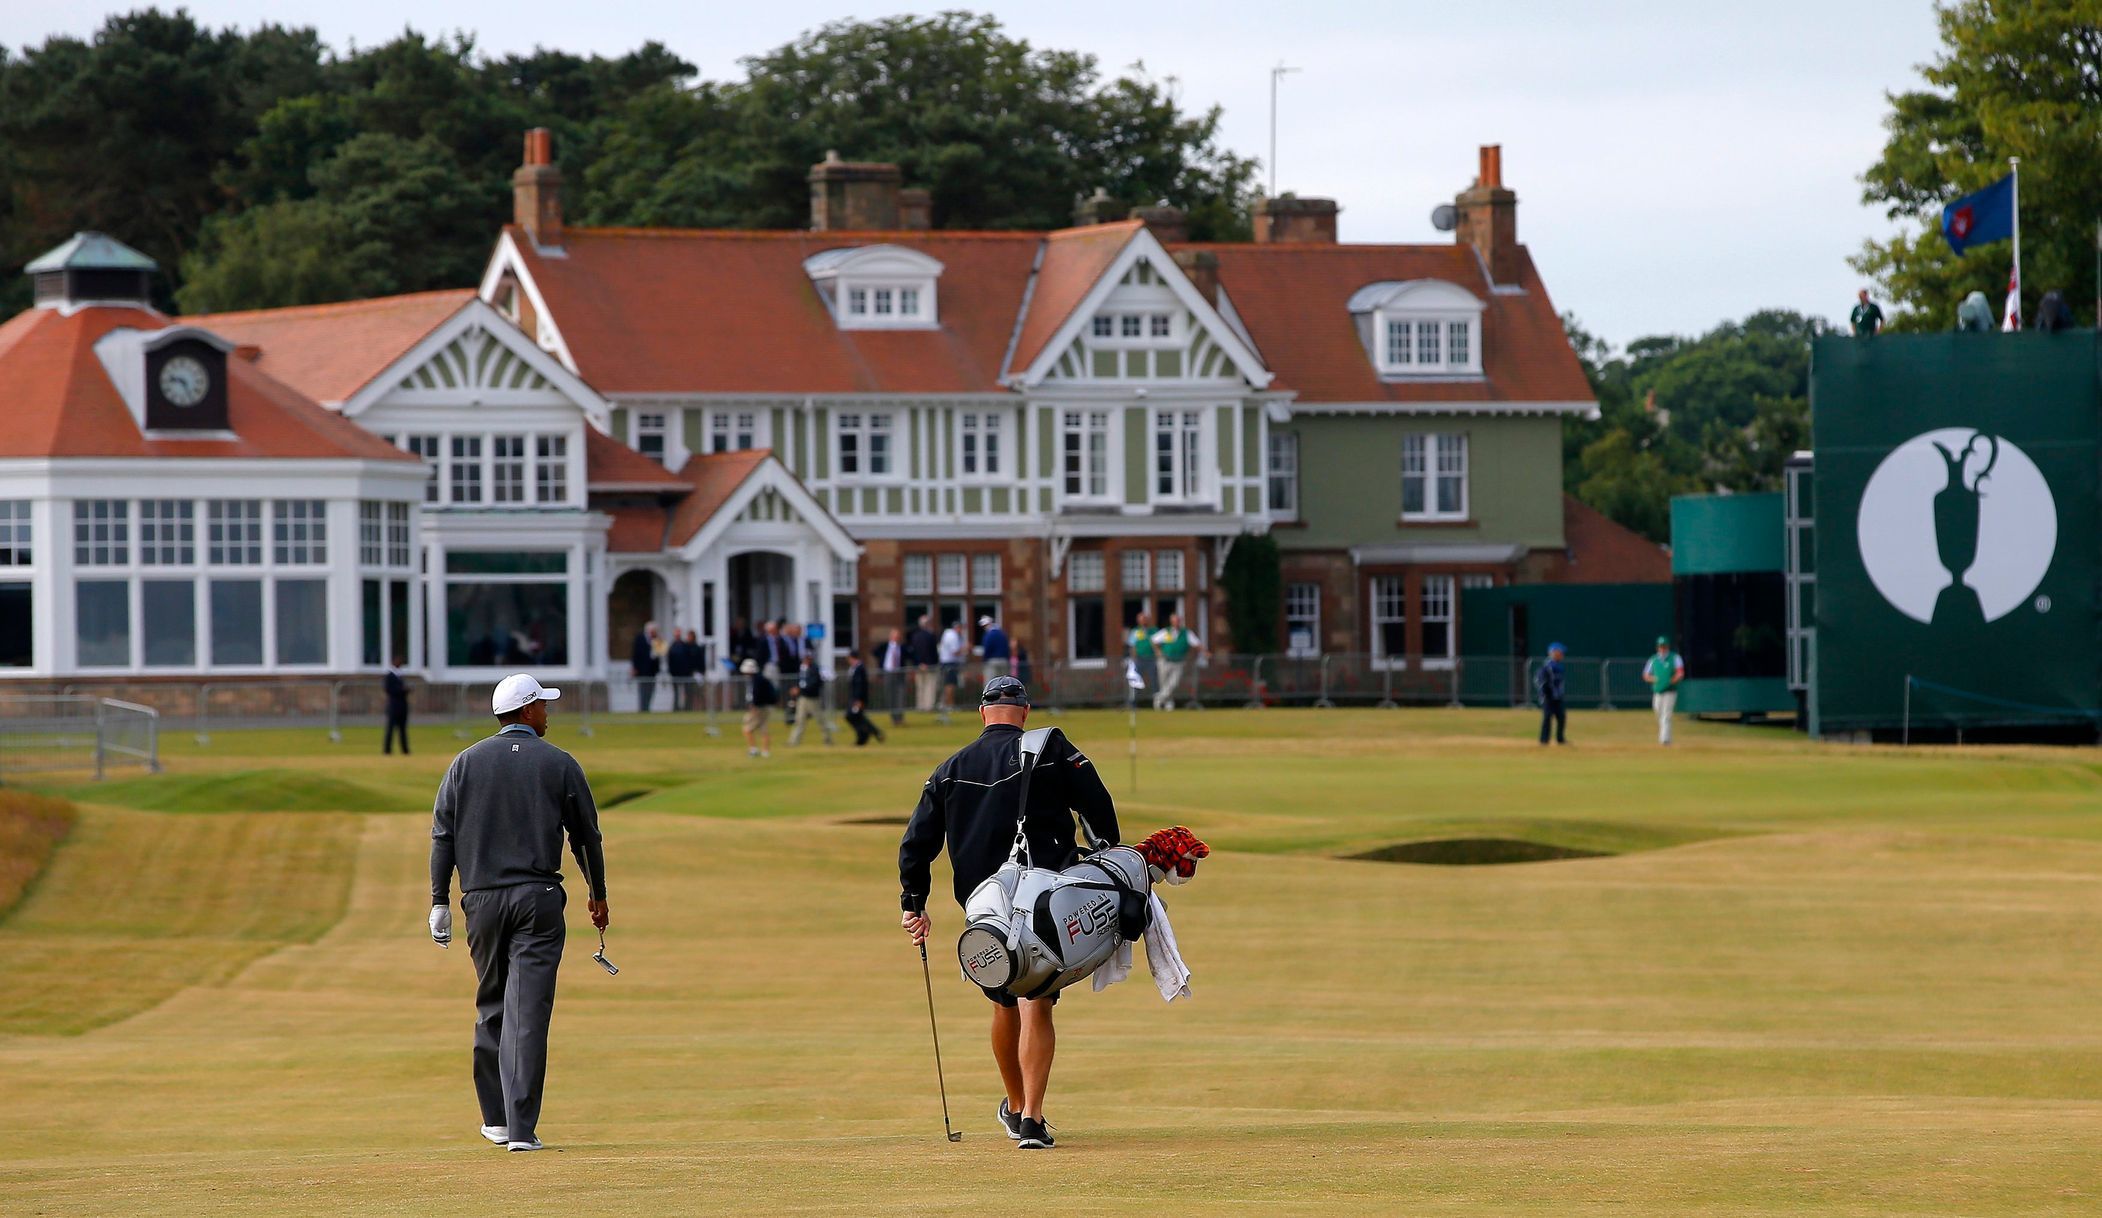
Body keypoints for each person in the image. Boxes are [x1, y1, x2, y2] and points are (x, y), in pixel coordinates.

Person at [897, 676, 1118, 1151]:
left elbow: (916, 843)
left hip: (984, 911)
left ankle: (1016, 1108)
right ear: (1025, 712)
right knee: (1036, 999)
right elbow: (1097, 805)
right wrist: (1109, 860)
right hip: (1044, 901)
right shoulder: (1050, 748)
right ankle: (1032, 1119)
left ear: (982, 713)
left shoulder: (949, 769)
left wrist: (914, 904)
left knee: (1003, 1000)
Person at [428, 673, 608, 1154]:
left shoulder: (465, 763)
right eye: (544, 706)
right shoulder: (559, 762)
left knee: (492, 1004)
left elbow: (443, 834)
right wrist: (598, 894)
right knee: (527, 1011)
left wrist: (439, 900)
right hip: (537, 898)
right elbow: (586, 836)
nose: (548, 713)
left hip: (481, 901)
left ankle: (496, 1120)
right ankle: (522, 1129)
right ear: (528, 711)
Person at [1150, 614, 1204, 711]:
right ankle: (1168, 703)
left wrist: (1205, 652)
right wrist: (1158, 651)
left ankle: (1159, 697)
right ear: (1171, 622)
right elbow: (1153, 640)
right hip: (1164, 661)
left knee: (1174, 683)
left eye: (1178, 621)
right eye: (1175, 621)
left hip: (1179, 662)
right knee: (1164, 683)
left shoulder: (1186, 633)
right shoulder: (1166, 631)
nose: (1177, 623)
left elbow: (1197, 643)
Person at [1645, 635, 1686, 746]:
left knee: (1666, 715)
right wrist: (1654, 679)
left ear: (1668, 647)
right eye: (1660, 646)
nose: (1662, 649)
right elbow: (1646, 675)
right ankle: (1665, 736)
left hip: (1670, 691)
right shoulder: (1653, 659)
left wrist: (1673, 680)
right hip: (1658, 691)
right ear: (1657, 647)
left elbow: (1680, 672)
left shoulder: (1675, 658)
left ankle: (1665, 740)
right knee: (1658, 712)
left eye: (1664, 646)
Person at [789, 652, 834, 747]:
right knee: (799, 720)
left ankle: (828, 739)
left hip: (813, 699)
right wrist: (797, 688)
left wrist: (800, 689)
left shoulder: (815, 669)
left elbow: (815, 683)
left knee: (820, 720)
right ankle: (794, 741)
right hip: (803, 698)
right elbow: (800, 681)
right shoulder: (802, 668)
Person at [844, 651, 885, 746]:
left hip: (858, 699)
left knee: (852, 716)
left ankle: (873, 733)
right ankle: (864, 737)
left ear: (852, 658)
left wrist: (858, 700)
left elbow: (860, 685)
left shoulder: (859, 669)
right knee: (856, 717)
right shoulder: (855, 668)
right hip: (855, 698)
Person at [740, 658, 776, 758]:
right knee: (763, 728)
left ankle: (753, 749)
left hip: (758, 708)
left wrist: (754, 706)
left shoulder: (757, 681)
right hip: (764, 707)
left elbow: (757, 695)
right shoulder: (759, 679)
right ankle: (765, 751)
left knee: (747, 729)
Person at [1535, 643, 1568, 746]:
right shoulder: (1547, 666)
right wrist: (1544, 693)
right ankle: (1544, 740)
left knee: (1561, 717)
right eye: (1560, 652)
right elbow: (1541, 681)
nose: (1562, 654)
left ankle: (1560, 739)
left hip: (1558, 696)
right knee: (1547, 717)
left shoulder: (1559, 666)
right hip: (1548, 697)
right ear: (1553, 653)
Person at [908, 614, 940, 713]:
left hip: (919, 665)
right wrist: (929, 663)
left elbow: (913, 652)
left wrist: (918, 663)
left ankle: (920, 705)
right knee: (930, 686)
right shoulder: (930, 636)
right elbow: (932, 652)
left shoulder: (915, 636)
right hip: (930, 665)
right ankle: (928, 706)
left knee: (920, 686)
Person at [878, 628, 908, 726]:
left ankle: (900, 718)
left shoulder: (903, 647)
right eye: (894, 636)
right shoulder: (884, 647)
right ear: (890, 637)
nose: (896, 638)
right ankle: (893, 718)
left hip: (899, 674)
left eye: (898, 636)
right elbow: (875, 652)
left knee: (900, 696)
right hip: (888, 673)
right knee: (890, 696)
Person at [630, 621, 661, 713]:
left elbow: (659, 654)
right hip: (642, 671)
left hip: (652, 672)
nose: (655, 633)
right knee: (643, 691)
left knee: (650, 691)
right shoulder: (640, 639)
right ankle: (643, 709)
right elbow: (635, 654)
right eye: (654, 631)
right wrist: (635, 668)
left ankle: (647, 708)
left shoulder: (657, 640)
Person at [1126, 612, 1158, 701]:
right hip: (1139, 659)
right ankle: (1133, 701)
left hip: (1151, 659)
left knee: (1154, 680)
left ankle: (1157, 701)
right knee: (1135, 680)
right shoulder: (1135, 631)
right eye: (1141, 620)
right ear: (1138, 621)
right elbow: (1132, 646)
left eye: (1145, 619)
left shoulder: (1154, 630)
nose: (1143, 622)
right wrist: (1133, 659)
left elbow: (1158, 644)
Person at [937, 618, 966, 715]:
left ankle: (946, 704)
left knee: (949, 684)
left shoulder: (949, 634)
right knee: (950, 684)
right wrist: (966, 649)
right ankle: (949, 704)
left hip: (948, 662)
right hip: (949, 663)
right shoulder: (953, 636)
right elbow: (955, 652)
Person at [383, 656, 411, 755]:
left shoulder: (400, 675)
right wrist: (401, 690)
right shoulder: (390, 676)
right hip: (393, 706)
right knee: (390, 729)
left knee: (403, 729)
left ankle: (405, 749)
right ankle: (387, 750)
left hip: (402, 706)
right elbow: (388, 689)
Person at [666, 627, 697, 711]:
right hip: (675, 674)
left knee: (687, 692)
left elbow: (689, 660)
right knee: (676, 694)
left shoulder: (685, 646)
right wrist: (672, 672)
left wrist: (689, 671)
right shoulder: (672, 647)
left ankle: (687, 709)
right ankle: (676, 708)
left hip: (685, 674)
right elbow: (670, 661)